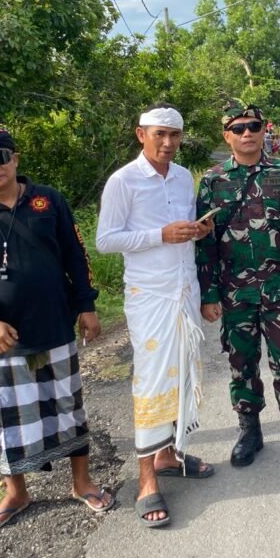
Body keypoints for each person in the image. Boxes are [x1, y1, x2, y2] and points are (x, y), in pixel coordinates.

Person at [0, 125, 111, 533]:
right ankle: (16, 492)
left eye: (0, 156)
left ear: (15, 159)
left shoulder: (48, 200)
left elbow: (76, 253)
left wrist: (86, 305)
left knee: (68, 408)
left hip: (54, 326)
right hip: (1, 341)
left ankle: (81, 482)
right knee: (5, 419)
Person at [96, 104, 216, 528]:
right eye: (159, 135)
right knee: (150, 379)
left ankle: (169, 453)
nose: (167, 144)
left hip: (184, 290)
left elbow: (182, 230)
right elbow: (106, 240)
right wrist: (159, 235)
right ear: (140, 134)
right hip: (149, 296)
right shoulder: (123, 181)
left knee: (182, 373)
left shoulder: (184, 177)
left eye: (174, 136)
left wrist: (196, 230)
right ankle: (147, 480)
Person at [195, 101, 280, 472]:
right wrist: (208, 294)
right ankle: (249, 430)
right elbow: (204, 243)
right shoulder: (212, 181)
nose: (247, 133)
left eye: (253, 126)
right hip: (234, 292)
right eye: (238, 129)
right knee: (242, 363)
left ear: (264, 129)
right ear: (227, 135)